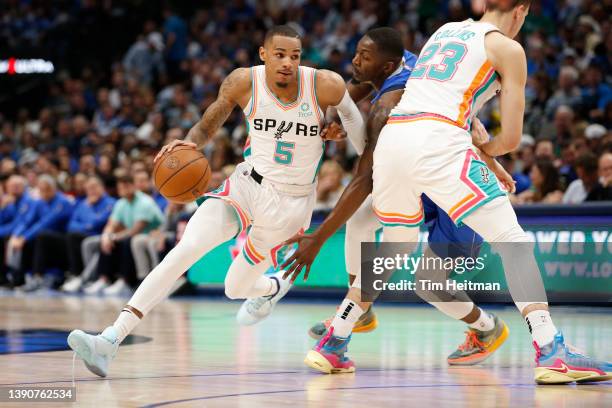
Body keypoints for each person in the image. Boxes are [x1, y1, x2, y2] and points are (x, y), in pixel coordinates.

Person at [285, 2, 612, 384]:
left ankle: (334, 340)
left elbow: (451, 103)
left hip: (394, 140)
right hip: (439, 142)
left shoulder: (446, 31)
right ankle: (550, 349)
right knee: (511, 240)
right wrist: (490, 155)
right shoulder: (508, 48)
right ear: (521, 11)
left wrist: (486, 161)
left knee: (394, 247)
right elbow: (508, 138)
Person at [67, 25, 364, 378]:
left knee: (235, 288)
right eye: (280, 54)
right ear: (263, 54)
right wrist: (187, 144)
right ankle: (110, 339)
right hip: (246, 185)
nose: (287, 62)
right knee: (185, 248)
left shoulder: (324, 84)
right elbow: (208, 125)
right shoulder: (243, 81)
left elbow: (352, 120)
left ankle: (273, 287)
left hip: (290, 205)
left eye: (295, 56)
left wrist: (340, 129)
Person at [275, 27, 514, 369]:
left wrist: (318, 237)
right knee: (362, 223)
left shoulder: (387, 109)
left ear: (387, 67)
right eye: (357, 53)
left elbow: (363, 181)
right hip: (418, 177)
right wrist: (332, 116)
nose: (355, 61)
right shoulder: (407, 63)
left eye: (364, 57)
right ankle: (358, 311)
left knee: (427, 283)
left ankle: (486, 328)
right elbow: (351, 88)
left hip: (454, 194)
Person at [83, 173, 164, 296]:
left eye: (126, 186)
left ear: (133, 186)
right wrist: (107, 236)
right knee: (107, 241)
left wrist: (113, 237)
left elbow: (136, 229)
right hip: (135, 237)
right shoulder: (121, 203)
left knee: (127, 240)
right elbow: (111, 224)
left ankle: (125, 281)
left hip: (153, 235)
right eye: (121, 187)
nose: (123, 190)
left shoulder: (145, 201)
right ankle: (104, 279)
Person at [10, 175, 74, 292]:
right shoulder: (39, 202)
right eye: (41, 190)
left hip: (62, 241)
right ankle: (20, 278)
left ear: (54, 188)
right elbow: (27, 221)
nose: (44, 193)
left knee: (40, 235)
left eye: (46, 189)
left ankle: (38, 276)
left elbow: (46, 223)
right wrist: (16, 235)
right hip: (44, 239)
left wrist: (24, 237)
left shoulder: (63, 202)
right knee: (28, 239)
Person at [61, 176, 116, 293]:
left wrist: (88, 214)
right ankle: (75, 275)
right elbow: (71, 225)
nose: (92, 191)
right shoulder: (83, 204)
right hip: (86, 235)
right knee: (71, 236)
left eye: (95, 187)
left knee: (76, 237)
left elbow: (98, 222)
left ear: (102, 188)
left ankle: (88, 278)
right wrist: (86, 226)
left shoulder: (111, 202)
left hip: (102, 236)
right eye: (89, 189)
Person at [0, 175, 35, 287]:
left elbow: (21, 223)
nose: (14, 188)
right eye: (12, 186)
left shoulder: (28, 201)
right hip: (9, 232)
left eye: (17, 186)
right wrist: (2, 207)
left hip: (23, 233)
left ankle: (14, 277)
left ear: (23, 187)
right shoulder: (8, 201)